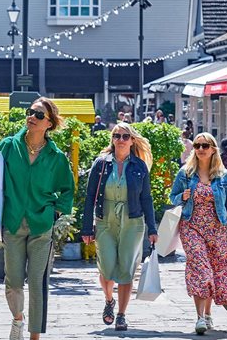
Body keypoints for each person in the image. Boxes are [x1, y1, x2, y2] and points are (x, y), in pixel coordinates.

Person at [0, 97, 74, 340]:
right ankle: (18, 318)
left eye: (39, 115)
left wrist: (54, 211)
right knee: (13, 281)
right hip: (13, 221)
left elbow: (67, 188)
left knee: (37, 283)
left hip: (41, 226)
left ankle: (34, 336)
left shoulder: (56, 156)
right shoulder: (8, 146)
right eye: (30, 112)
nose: (32, 117)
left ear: (49, 124)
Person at [81, 122, 157, 331]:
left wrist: (152, 228)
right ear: (112, 139)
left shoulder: (139, 166)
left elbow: (147, 198)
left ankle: (121, 315)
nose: (120, 140)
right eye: (117, 136)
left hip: (132, 221)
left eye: (125, 136)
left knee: (127, 269)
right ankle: (108, 301)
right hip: (105, 219)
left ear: (132, 141)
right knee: (106, 267)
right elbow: (89, 197)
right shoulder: (101, 163)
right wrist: (87, 227)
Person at [169, 132, 227, 335]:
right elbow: (172, 197)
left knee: (214, 270)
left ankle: (208, 312)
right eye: (197, 145)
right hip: (191, 227)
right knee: (201, 270)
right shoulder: (185, 173)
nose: (201, 149)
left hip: (217, 229)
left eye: (205, 146)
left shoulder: (224, 177)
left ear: (213, 149)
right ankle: (200, 317)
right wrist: (182, 196)